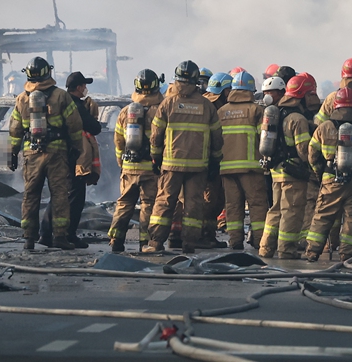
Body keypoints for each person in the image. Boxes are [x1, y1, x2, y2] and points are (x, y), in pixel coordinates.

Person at [7, 57, 84, 250]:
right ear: (48, 72)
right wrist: (77, 148)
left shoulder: (22, 98)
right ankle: (59, 237)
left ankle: (28, 238)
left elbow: (15, 129)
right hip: (56, 153)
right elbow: (75, 124)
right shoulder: (61, 96)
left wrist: (12, 152)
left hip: (31, 153)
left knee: (31, 194)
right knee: (59, 194)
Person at [146, 61, 222, 254]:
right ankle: (189, 244)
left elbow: (156, 135)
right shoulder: (206, 105)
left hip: (171, 165)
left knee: (164, 202)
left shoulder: (167, 103)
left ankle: (155, 243)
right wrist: (214, 161)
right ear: (196, 80)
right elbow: (217, 137)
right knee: (194, 205)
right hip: (198, 166)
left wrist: (155, 158)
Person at [305, 88, 352, 261]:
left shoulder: (324, 128)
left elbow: (312, 154)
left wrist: (319, 172)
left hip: (330, 179)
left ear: (335, 106)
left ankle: (312, 252)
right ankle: (346, 253)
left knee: (323, 215)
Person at [40, 72, 103, 248]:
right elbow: (94, 127)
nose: (85, 89)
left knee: (59, 194)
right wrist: (91, 114)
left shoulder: (61, 101)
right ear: (78, 87)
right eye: (83, 85)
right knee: (76, 196)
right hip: (74, 157)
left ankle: (45, 233)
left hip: (59, 155)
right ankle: (69, 234)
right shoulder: (75, 104)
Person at [259, 73, 318, 259]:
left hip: (277, 171)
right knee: (291, 212)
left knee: (275, 210)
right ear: (303, 95)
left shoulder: (278, 112)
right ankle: (286, 250)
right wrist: (314, 167)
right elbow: (303, 151)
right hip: (293, 173)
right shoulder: (297, 119)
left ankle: (266, 248)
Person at [109, 69, 164, 252]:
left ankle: (116, 240)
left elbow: (118, 140)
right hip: (151, 168)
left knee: (124, 203)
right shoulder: (161, 110)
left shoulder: (125, 112)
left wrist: (121, 162)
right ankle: (144, 243)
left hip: (129, 166)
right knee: (148, 204)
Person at [219, 70, 270, 250]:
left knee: (232, 206)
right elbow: (263, 140)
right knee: (257, 205)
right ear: (250, 90)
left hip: (226, 168)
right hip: (251, 168)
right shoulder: (256, 110)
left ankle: (235, 241)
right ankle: (258, 241)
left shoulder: (221, 112)